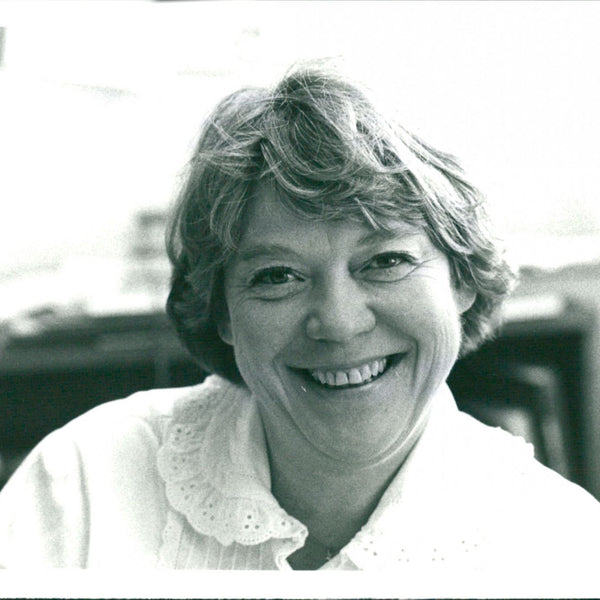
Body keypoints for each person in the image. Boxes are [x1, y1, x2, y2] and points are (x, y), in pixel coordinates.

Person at [1, 64, 599, 592]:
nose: (338, 322)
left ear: (461, 278)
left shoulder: (563, 553)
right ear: (221, 311)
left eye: (385, 261)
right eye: (277, 276)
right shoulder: (81, 486)